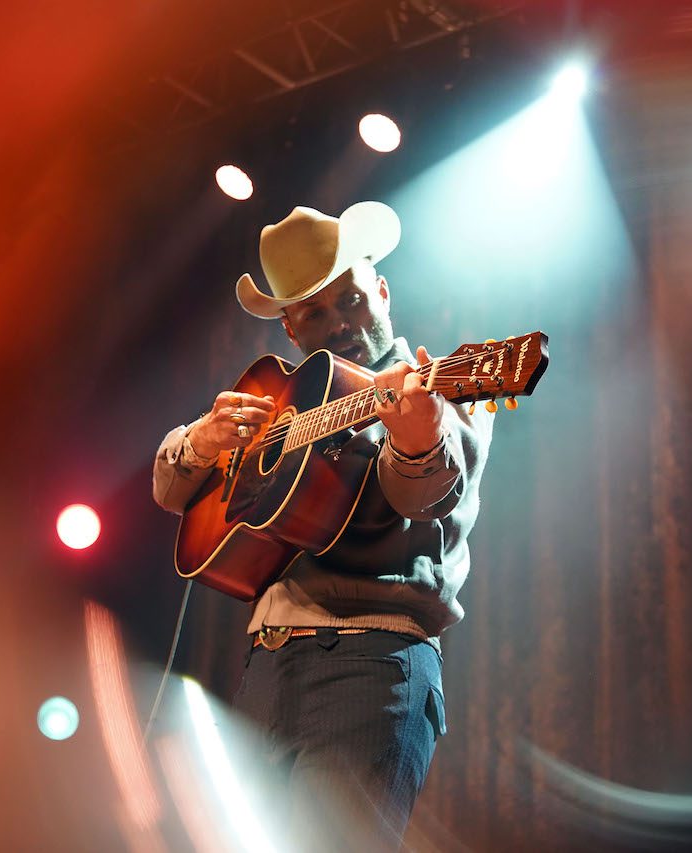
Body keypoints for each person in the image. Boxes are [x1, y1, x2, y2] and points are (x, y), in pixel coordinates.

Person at [151, 201, 494, 850]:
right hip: (269, 664)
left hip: (373, 661)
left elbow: (420, 498)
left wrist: (416, 436)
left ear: (382, 289)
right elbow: (173, 490)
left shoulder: (441, 387)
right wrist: (204, 438)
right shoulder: (273, 395)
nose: (340, 323)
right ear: (288, 326)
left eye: (353, 300)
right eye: (314, 312)